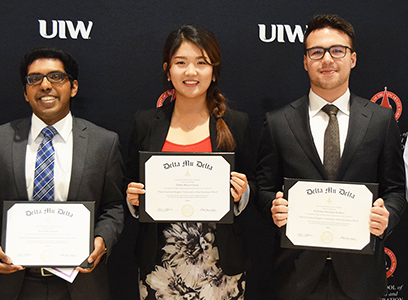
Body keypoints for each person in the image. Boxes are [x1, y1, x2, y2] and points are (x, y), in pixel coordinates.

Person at [256, 14, 406, 300]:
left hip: (361, 276)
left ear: (353, 58)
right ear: (305, 61)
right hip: (295, 275)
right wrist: (272, 208)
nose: (327, 60)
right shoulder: (277, 122)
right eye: (316, 52)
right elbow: (263, 189)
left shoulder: (381, 120)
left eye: (337, 50)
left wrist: (387, 215)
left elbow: (396, 190)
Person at [0, 47, 124, 300]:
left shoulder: (103, 142)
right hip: (13, 283)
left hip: (81, 284)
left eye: (56, 77)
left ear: (73, 87)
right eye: (34, 79)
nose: (45, 85)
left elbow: (114, 206)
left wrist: (102, 240)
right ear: (25, 92)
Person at [125, 24, 256, 299]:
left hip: (220, 267)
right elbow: (129, 183)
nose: (191, 72)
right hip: (160, 267)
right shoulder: (146, 123)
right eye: (181, 62)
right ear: (167, 69)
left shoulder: (236, 123)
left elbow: (255, 184)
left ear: (214, 69)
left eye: (201, 63)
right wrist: (133, 198)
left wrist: (243, 194)